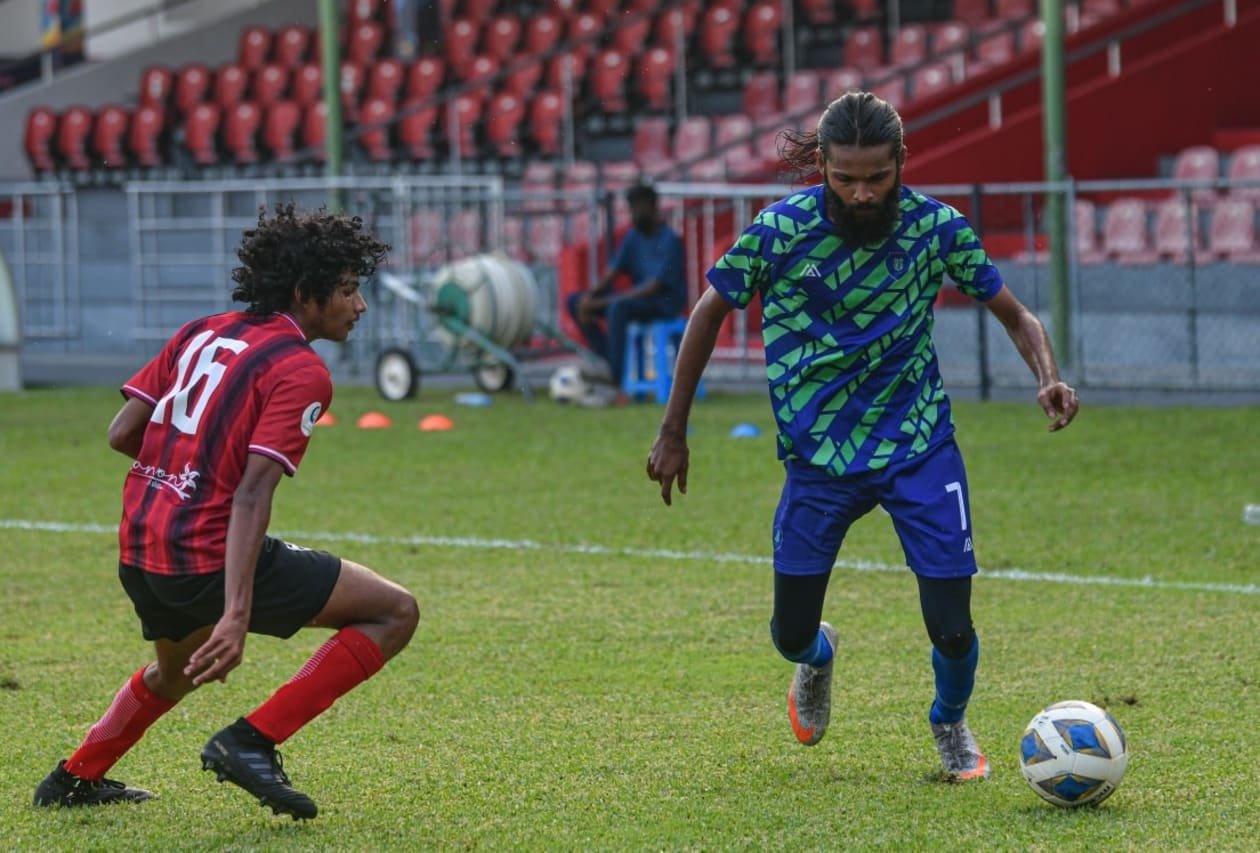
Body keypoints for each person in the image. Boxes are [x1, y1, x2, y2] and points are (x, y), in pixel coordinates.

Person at [646, 91, 1079, 781]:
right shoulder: (780, 231)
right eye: (845, 177)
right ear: (822, 164)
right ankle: (817, 657)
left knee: (952, 625)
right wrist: (674, 429)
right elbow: (708, 313)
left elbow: (1016, 314)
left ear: (901, 160)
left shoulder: (937, 228)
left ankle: (949, 720)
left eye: (877, 176)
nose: (862, 192)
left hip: (918, 444)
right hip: (819, 458)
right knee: (788, 634)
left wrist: (1048, 376)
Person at [33, 204, 419, 820]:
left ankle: (74, 777)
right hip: (205, 556)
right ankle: (251, 741)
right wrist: (236, 613)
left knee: (175, 674)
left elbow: (122, 432)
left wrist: (184, 472)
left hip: (143, 548)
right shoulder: (300, 370)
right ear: (305, 293)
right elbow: (251, 495)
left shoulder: (201, 330)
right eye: (348, 290)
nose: (360, 305)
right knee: (394, 612)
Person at [566, 180, 687, 396]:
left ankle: (616, 376)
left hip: (663, 303)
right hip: (637, 301)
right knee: (574, 302)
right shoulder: (632, 236)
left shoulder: (669, 238)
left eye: (638, 206)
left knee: (617, 307)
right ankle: (611, 363)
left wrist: (600, 302)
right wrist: (590, 298)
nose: (634, 213)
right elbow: (612, 272)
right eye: (631, 207)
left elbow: (654, 286)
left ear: (653, 205)